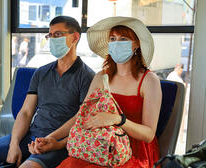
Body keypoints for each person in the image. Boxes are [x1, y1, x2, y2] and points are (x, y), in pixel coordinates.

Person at [29, 17, 162, 168]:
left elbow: (149, 134)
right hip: (100, 145)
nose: (116, 43)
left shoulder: (149, 80)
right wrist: (52, 140)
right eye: (112, 38)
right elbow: (81, 117)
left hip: (134, 153)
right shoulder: (101, 77)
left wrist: (117, 119)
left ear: (136, 44)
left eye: (123, 39)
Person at [0, 15, 95, 168]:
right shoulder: (41, 73)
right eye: (50, 35)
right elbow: (26, 112)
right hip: (31, 135)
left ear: (75, 38)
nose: (52, 39)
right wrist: (14, 143)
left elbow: (81, 119)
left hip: (59, 142)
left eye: (58, 34)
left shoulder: (87, 76)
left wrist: (50, 141)